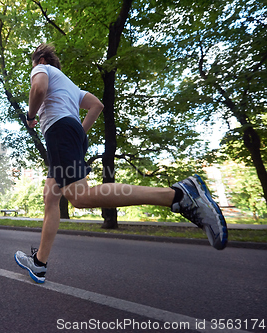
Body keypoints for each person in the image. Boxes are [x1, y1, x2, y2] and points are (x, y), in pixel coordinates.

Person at [14, 43, 228, 284]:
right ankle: (40, 263)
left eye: (34, 66)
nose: (34, 71)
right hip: (68, 134)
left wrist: (31, 116)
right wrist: (81, 137)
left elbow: (38, 89)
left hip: (58, 132)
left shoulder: (41, 70)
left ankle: (178, 195)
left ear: (41, 60)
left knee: (79, 197)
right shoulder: (70, 86)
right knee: (51, 196)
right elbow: (97, 106)